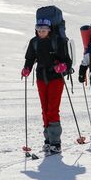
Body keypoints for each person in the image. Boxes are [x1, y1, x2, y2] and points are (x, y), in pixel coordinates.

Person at [22, 18, 72, 154]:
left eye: (43, 30)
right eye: (38, 30)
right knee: (44, 109)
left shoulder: (58, 41)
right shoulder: (34, 42)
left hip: (55, 78)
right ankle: (48, 140)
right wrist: (27, 68)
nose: (41, 32)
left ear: (49, 30)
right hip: (41, 78)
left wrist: (63, 66)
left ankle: (56, 142)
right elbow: (30, 58)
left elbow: (67, 60)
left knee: (52, 109)